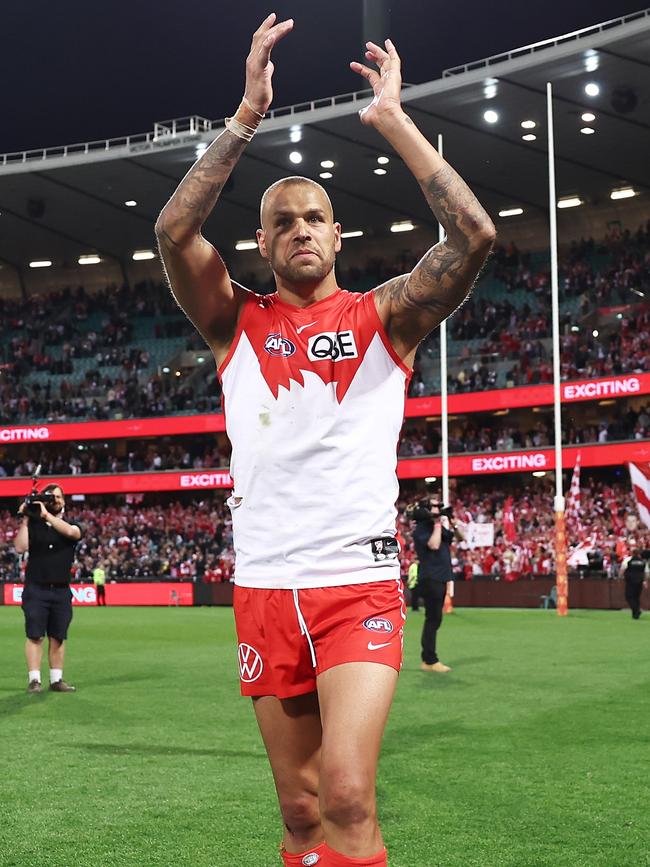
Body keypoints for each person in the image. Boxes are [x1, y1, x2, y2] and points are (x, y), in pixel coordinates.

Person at [155, 14, 495, 866]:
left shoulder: (384, 317)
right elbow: (170, 235)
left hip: (357, 583)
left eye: (316, 217)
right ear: (263, 244)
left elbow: (476, 237)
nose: (302, 228)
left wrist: (393, 121)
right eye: (284, 221)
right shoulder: (234, 321)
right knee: (301, 810)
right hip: (266, 583)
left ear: (338, 236)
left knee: (346, 791)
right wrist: (245, 118)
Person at [14, 484, 82, 693]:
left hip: (61, 590)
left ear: (64, 500)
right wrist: (26, 519)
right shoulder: (34, 526)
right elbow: (20, 547)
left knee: (58, 636)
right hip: (36, 588)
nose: (55, 500)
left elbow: (72, 532)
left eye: (58, 497)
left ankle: (56, 680)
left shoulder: (70, 525)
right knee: (35, 635)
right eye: (51, 497)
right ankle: (34, 680)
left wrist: (45, 515)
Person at [412, 497, 465, 673]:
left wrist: (452, 522)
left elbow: (460, 538)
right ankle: (429, 659)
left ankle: (429, 658)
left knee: (435, 619)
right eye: (435, 507)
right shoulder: (421, 528)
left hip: (440, 577)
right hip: (431, 577)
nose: (438, 509)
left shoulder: (438, 527)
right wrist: (436, 523)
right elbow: (434, 545)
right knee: (432, 619)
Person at [620, 545, 649, 620]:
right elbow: (646, 572)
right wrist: (645, 581)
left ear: (632, 553)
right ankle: (635, 614)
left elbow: (622, 570)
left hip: (630, 581)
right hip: (639, 581)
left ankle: (636, 610)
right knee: (636, 597)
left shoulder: (627, 560)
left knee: (629, 597)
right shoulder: (643, 562)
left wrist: (621, 577)